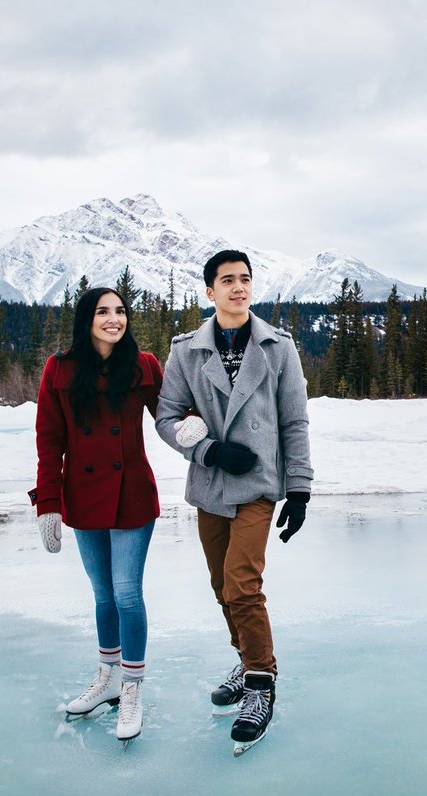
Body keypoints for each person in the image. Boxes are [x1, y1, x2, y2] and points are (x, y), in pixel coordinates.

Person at [29, 287, 205, 743]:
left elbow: (169, 410)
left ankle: (131, 687)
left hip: (130, 495)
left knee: (127, 593)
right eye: (104, 312)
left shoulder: (143, 365)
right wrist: (47, 503)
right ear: (87, 319)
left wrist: (189, 421)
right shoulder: (59, 369)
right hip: (82, 496)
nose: (114, 319)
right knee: (103, 594)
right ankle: (106, 678)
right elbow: (49, 442)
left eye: (121, 311)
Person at [155, 249, 314, 754]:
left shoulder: (277, 347)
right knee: (222, 585)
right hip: (211, 485)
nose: (239, 288)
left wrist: (300, 488)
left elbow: (294, 420)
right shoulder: (186, 351)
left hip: (261, 485)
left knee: (243, 583)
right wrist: (210, 450)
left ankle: (261, 685)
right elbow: (165, 418)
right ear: (210, 291)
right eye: (227, 280)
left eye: (245, 279)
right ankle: (246, 658)